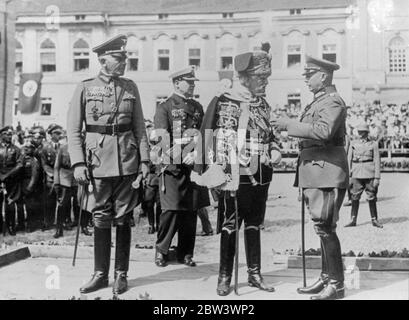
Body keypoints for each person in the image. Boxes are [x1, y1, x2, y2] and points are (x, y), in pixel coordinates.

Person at [67, 34, 150, 295]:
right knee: (100, 216)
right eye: (118, 58)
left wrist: (145, 160)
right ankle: (101, 274)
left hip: (127, 161)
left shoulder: (130, 87)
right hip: (97, 162)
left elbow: (139, 127)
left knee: (124, 217)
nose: (124, 62)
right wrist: (78, 163)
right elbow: (73, 130)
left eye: (125, 57)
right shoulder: (84, 87)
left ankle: (121, 274)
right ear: (103, 60)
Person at [197, 43, 281, 296]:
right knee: (230, 225)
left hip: (260, 173)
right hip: (232, 175)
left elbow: (271, 135)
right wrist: (213, 172)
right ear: (244, 77)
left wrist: (276, 150)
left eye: (266, 78)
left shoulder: (263, 104)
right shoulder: (222, 101)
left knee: (254, 224)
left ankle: (254, 274)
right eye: (260, 78)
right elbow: (206, 137)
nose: (265, 83)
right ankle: (224, 276)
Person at [272, 55, 348, 300]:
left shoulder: (333, 102)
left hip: (326, 173)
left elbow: (323, 131)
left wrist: (288, 124)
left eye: (309, 74)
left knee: (326, 228)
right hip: (317, 173)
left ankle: (336, 284)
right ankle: (326, 278)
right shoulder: (319, 102)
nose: (305, 78)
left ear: (323, 76)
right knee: (322, 228)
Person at [152, 66, 208, 268]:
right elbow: (161, 139)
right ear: (177, 83)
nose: (192, 85)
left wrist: (196, 155)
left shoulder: (197, 107)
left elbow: (204, 136)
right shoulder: (164, 107)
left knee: (191, 211)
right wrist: (182, 155)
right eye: (189, 82)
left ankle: (186, 252)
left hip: (193, 167)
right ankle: (162, 250)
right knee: (171, 211)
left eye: (193, 82)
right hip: (173, 168)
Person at [345, 123, 382, 228]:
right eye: (359, 131)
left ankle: (374, 219)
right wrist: (348, 175)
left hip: (369, 173)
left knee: (371, 196)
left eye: (363, 132)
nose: (360, 134)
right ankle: (353, 219)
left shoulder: (373, 144)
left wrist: (377, 177)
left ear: (367, 133)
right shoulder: (353, 143)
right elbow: (349, 160)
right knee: (354, 197)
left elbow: (377, 161)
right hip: (356, 173)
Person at [53, 138, 92, 238]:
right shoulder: (63, 148)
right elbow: (57, 166)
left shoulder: (84, 148)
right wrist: (57, 182)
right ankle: (59, 229)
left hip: (79, 178)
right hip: (65, 179)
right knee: (62, 205)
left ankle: (84, 226)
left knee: (82, 203)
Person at [39, 124, 63, 230]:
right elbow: (44, 164)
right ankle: (48, 222)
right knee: (49, 201)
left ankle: (61, 222)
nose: (58, 136)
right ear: (51, 134)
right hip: (51, 178)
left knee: (62, 201)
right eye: (56, 133)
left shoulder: (63, 147)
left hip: (62, 177)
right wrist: (52, 175)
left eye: (59, 133)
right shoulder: (45, 147)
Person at [0, 126, 23, 236]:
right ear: (2, 135)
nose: (9, 136)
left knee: (10, 203)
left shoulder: (16, 149)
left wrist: (7, 175)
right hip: (0, 179)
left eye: (10, 134)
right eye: (7, 134)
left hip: (12, 180)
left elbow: (19, 164)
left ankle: (11, 226)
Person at [18, 139, 41, 233]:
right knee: (21, 206)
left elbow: (35, 176)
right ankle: (21, 224)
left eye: (29, 147)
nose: (27, 149)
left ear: (33, 149)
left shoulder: (34, 160)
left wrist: (30, 187)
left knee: (30, 206)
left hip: (29, 185)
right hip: (21, 184)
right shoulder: (23, 158)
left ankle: (31, 225)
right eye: (26, 147)